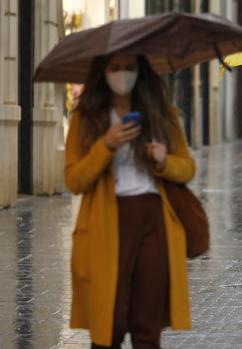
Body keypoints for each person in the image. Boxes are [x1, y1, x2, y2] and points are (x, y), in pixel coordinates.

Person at [65, 53, 195, 348]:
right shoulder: (86, 117)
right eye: (114, 68)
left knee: (147, 324)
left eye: (129, 68)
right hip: (106, 223)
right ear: (103, 72)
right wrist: (106, 145)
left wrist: (164, 161)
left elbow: (187, 168)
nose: (122, 74)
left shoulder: (162, 114)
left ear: (141, 72)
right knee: (109, 323)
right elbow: (74, 180)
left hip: (155, 221)